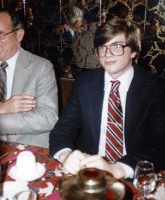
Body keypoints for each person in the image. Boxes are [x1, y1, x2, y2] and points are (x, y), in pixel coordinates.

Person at [49, 18, 165, 179]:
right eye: (102, 47)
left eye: (117, 46)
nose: (107, 54)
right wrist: (65, 155)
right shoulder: (84, 83)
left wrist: (118, 169)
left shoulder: (156, 88)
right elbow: (63, 129)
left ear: (133, 51)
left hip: (133, 172)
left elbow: (159, 143)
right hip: (88, 170)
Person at [0, 9, 58, 147]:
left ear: (19, 35)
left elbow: (48, 118)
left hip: (28, 150)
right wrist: (0, 108)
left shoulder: (41, 67)